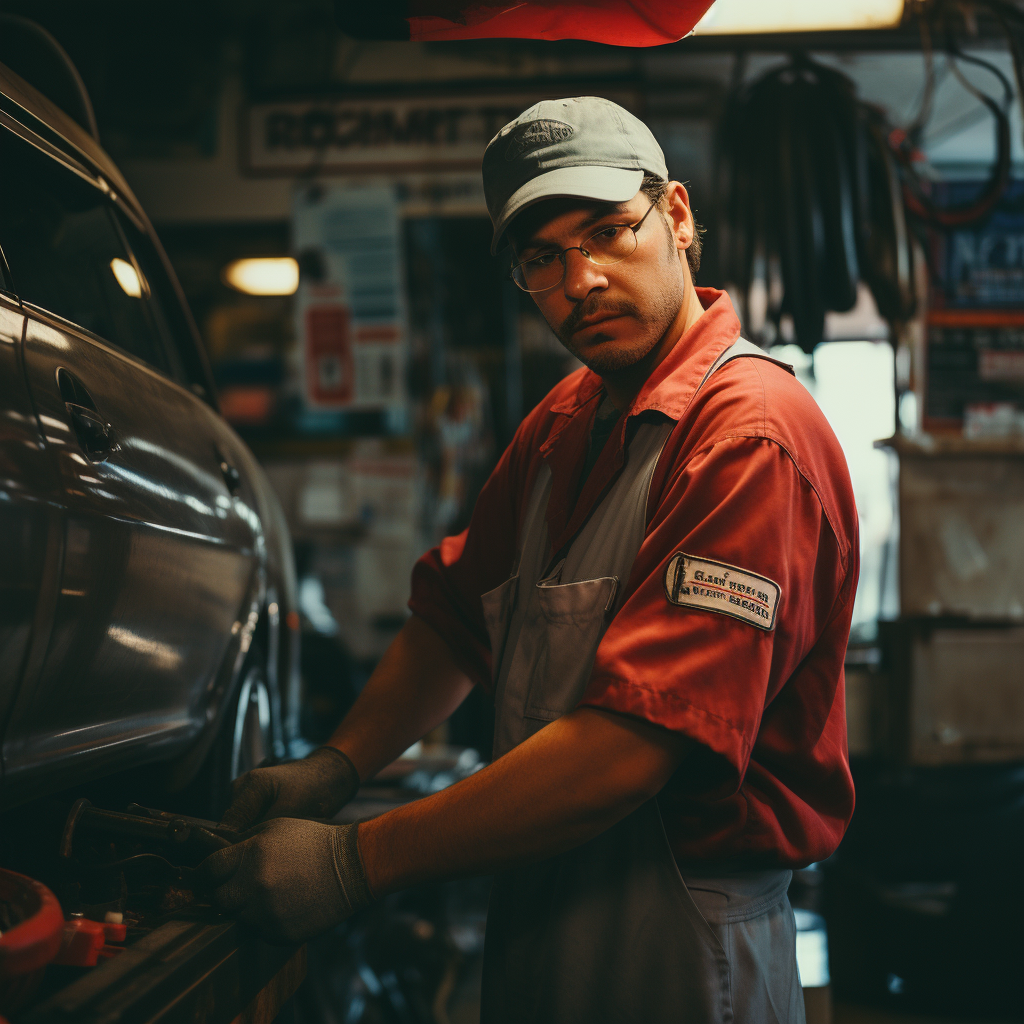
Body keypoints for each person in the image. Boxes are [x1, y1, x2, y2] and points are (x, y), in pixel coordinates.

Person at [201, 96, 858, 1024]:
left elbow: (633, 749)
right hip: (537, 881)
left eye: (606, 232)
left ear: (674, 216)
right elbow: (457, 621)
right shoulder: (562, 423)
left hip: (683, 930)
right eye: (541, 257)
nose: (580, 280)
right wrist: (339, 766)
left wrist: (358, 860)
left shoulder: (749, 438)